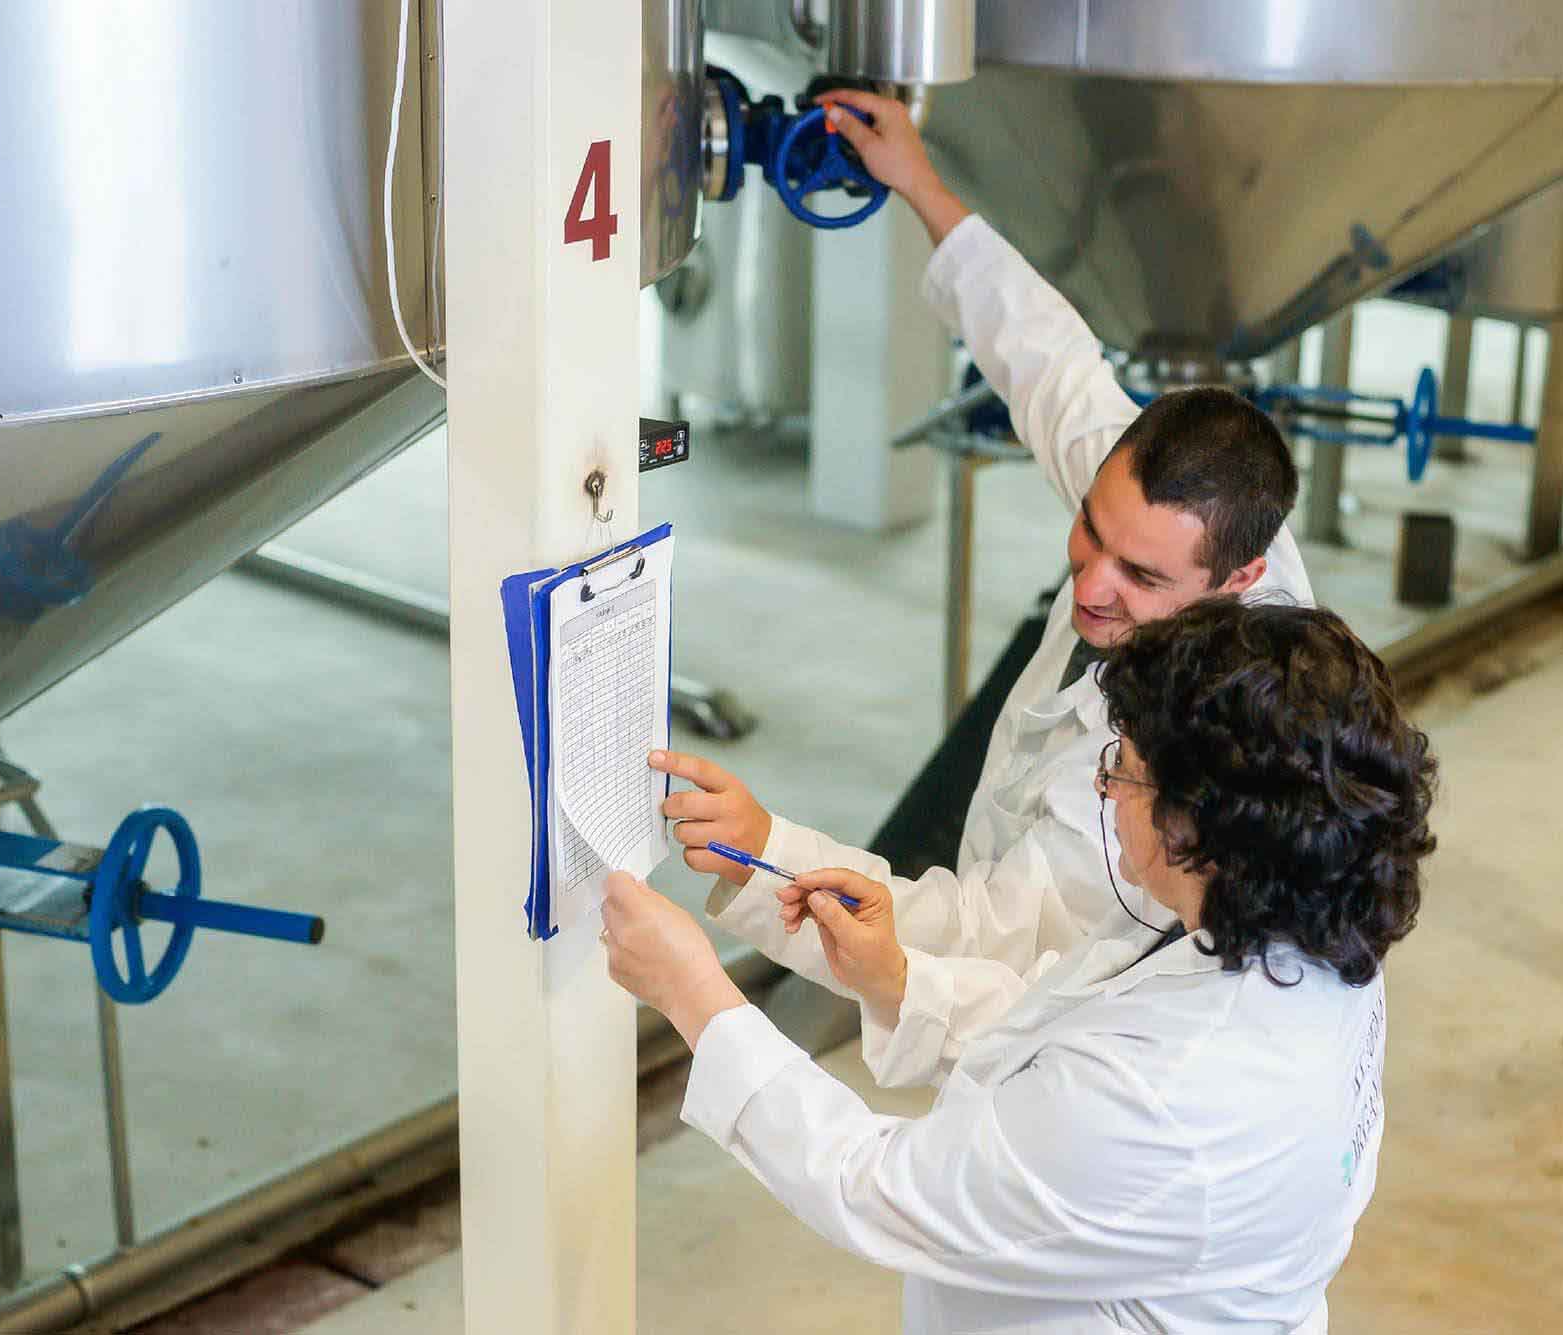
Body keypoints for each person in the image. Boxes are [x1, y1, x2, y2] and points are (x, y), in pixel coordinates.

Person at [648, 88, 1312, 1085]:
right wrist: (918, 183)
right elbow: (1048, 362)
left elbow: (991, 953)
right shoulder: (1162, 503)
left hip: (1083, 1051)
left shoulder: (1183, 783)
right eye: (1087, 534)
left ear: (1241, 577)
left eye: (1137, 577)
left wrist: (766, 854)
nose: (1090, 587)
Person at [604, 599, 1437, 1334]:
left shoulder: (1172, 1094)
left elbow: (879, 1188)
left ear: (1199, 826)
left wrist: (695, 993)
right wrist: (897, 978)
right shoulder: (1310, 928)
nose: (1106, 791)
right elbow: (1070, 1030)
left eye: (1124, 770)